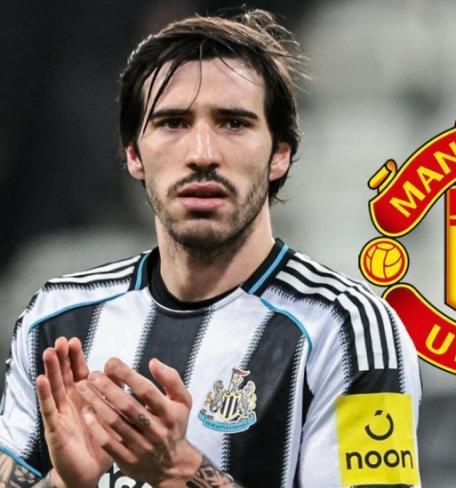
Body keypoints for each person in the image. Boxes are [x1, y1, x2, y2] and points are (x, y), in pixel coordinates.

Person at [0, 9, 422, 488]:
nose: (202, 153)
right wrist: (63, 483)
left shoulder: (347, 329)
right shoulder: (57, 319)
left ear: (280, 154)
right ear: (133, 155)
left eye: (233, 123)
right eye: (173, 123)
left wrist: (181, 471)